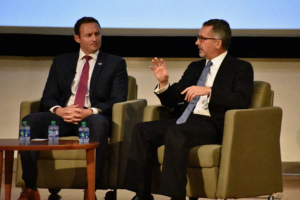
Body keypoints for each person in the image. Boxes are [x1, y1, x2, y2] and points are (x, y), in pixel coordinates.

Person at [123, 19, 254, 200]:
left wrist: (209, 91)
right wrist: (164, 83)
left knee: (176, 133)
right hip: (184, 120)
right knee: (142, 130)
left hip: (212, 124)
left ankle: (175, 196)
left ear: (218, 42)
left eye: (201, 38)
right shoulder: (196, 66)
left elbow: (242, 100)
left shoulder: (240, 68)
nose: (196, 42)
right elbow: (175, 98)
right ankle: (142, 194)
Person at [18, 17, 128, 200]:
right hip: (63, 116)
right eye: (89, 35)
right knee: (28, 122)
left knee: (100, 123)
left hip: (91, 117)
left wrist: (89, 111)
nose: (95, 38)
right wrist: (59, 110)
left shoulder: (115, 63)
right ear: (77, 38)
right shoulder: (62, 62)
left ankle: (90, 188)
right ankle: (30, 187)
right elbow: (48, 96)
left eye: (97, 34)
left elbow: (118, 99)